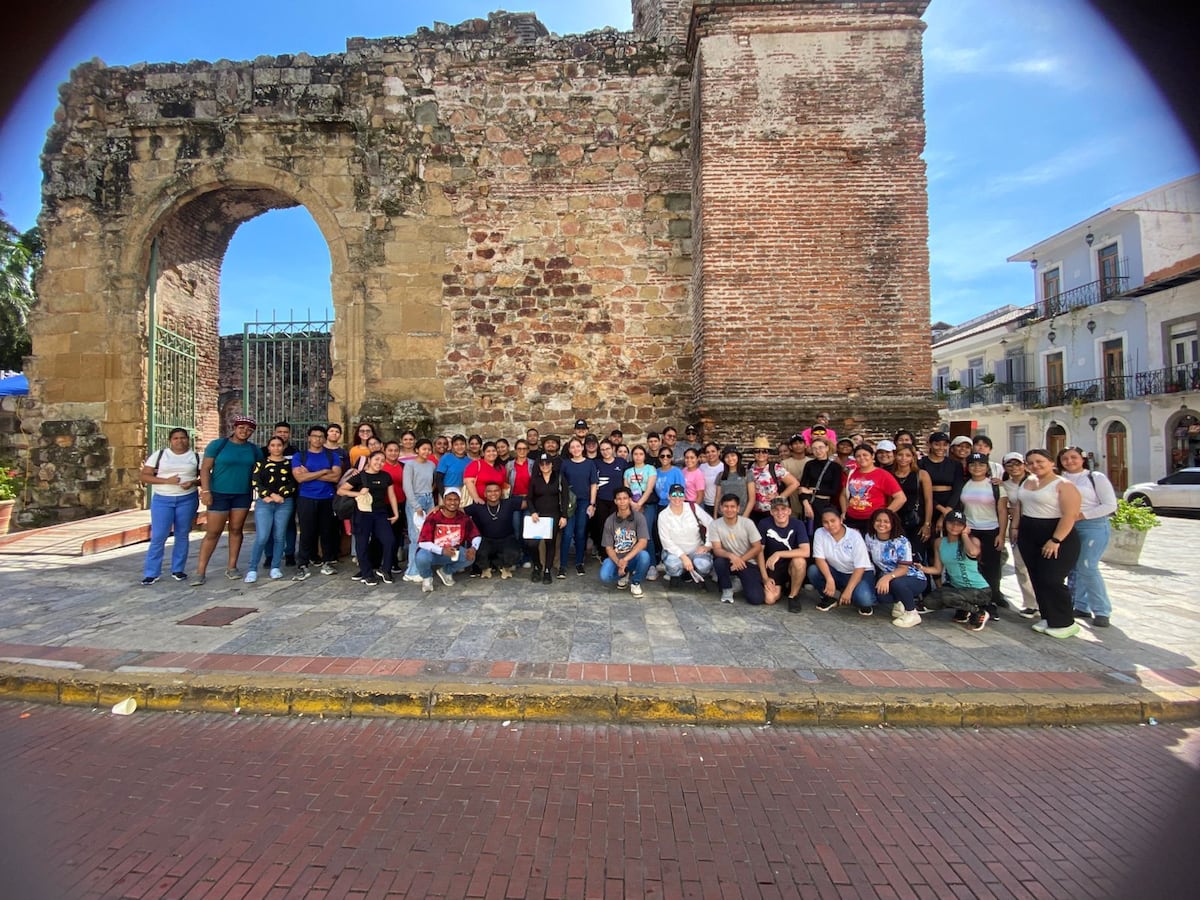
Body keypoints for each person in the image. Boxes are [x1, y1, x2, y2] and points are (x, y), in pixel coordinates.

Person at [1016, 448, 1083, 639]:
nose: (1035, 466)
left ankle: (1065, 621)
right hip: (1029, 532)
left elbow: (1070, 515)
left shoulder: (1064, 485)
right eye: (1030, 463)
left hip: (1055, 534)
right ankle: (1049, 616)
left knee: (1051, 578)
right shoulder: (1028, 481)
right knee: (1036, 577)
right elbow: (1020, 506)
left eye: (1040, 461)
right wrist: (1015, 529)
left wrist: (1055, 540)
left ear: (1052, 462)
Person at [191, 415, 263, 586]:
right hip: (219, 493)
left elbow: (260, 471)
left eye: (249, 430)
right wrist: (206, 490)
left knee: (236, 530)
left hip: (242, 494)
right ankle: (200, 570)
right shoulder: (219, 445)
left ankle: (232, 566)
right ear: (235, 427)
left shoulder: (253, 450)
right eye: (242, 428)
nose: (244, 431)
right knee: (213, 532)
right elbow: (205, 468)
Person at [1058, 446, 1118, 627]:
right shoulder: (1060, 479)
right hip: (1068, 526)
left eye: (1073, 457)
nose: (1069, 461)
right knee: (1076, 566)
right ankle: (1081, 606)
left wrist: (1083, 515)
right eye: (1065, 458)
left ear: (1082, 458)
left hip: (1093, 526)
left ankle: (1101, 610)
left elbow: (1110, 505)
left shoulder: (1095, 478)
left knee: (1087, 566)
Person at [139, 427, 201, 584]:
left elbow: (205, 477)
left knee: (182, 534)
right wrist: (166, 481)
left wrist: (193, 482)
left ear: (188, 439)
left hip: (187, 498)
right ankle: (152, 572)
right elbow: (144, 476)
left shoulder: (196, 457)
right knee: (159, 536)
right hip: (163, 499)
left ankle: (178, 569)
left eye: (183, 438)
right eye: (176, 438)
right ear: (170, 441)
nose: (180, 441)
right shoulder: (160, 455)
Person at [918, 511, 995, 631]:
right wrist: (922, 568)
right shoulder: (939, 542)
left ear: (965, 526)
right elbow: (938, 569)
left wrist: (964, 535)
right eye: (951, 523)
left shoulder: (972, 541)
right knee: (929, 601)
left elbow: (973, 552)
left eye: (959, 524)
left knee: (947, 597)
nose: (954, 527)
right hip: (958, 588)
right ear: (945, 523)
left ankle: (978, 612)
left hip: (980, 590)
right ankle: (964, 610)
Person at [338, 449, 400, 586]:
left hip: (380, 513)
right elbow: (341, 490)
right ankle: (366, 573)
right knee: (362, 543)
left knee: (389, 540)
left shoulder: (386, 476)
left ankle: (386, 570)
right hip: (362, 513)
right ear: (370, 460)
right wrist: (358, 493)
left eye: (382, 461)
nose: (379, 463)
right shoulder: (360, 476)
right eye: (376, 459)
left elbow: (391, 495)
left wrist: (395, 513)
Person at [290, 425, 343, 582]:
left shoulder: (331, 456)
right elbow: (299, 478)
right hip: (306, 497)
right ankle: (303, 564)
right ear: (309, 438)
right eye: (315, 436)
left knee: (327, 532)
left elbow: (335, 477)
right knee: (306, 532)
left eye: (321, 436)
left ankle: (327, 561)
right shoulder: (300, 456)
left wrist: (310, 474)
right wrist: (323, 471)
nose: (318, 439)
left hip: (327, 497)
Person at [244, 435, 296, 583]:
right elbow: (256, 481)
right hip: (265, 502)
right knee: (262, 536)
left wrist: (282, 495)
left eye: (279, 445)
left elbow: (293, 483)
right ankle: (252, 569)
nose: (276, 448)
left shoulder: (289, 464)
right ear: (268, 447)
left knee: (279, 536)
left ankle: (275, 566)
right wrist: (269, 495)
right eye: (273, 445)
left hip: (284, 503)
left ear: (283, 447)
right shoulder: (261, 464)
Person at [959, 451, 1005, 615]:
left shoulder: (995, 485)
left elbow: (1002, 511)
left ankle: (990, 601)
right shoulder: (964, 484)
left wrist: (1001, 534)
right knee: (970, 567)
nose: (976, 467)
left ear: (987, 467)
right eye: (972, 464)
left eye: (981, 464)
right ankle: (971, 601)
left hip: (991, 529)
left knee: (991, 569)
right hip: (970, 530)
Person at [865, 508, 927, 628]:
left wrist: (887, 578)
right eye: (878, 520)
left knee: (896, 583)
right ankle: (900, 602)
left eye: (886, 521)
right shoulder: (869, 537)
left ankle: (912, 613)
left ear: (893, 524)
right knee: (880, 595)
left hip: (912, 577)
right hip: (889, 577)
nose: (882, 524)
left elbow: (904, 568)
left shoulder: (901, 542)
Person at [807, 508, 876, 615]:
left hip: (859, 573)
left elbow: (860, 567)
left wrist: (849, 590)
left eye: (833, 521)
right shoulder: (820, 533)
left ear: (840, 520)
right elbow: (819, 559)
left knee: (864, 600)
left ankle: (850, 592)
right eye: (826, 522)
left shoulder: (854, 536)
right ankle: (829, 598)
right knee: (813, 570)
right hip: (837, 571)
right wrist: (829, 579)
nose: (830, 525)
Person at [997, 452, 1038, 617]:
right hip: (1017, 527)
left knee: (1041, 567)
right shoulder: (1004, 485)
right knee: (1021, 566)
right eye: (1010, 465)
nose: (1014, 468)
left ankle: (1045, 601)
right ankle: (1030, 603)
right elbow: (1004, 505)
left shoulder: (1035, 481)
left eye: (1017, 464)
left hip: (1038, 523)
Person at [414, 488, 479, 592]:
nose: (452, 502)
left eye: (455, 499)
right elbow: (423, 542)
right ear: (444, 501)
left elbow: (475, 535)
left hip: (453, 552)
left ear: (459, 501)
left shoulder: (463, 518)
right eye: (449, 499)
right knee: (421, 557)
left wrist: (473, 548)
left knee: (469, 557)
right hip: (432, 552)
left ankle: (446, 571)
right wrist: (442, 550)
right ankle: (427, 578)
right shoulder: (434, 517)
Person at [709, 494, 766, 605]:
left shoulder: (747, 523)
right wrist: (731, 556)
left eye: (732, 506)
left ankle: (741, 582)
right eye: (726, 506)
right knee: (719, 562)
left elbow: (758, 547)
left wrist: (741, 559)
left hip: (748, 562)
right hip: (729, 561)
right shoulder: (715, 525)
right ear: (721, 508)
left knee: (756, 599)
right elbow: (717, 549)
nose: (729, 509)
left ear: (738, 508)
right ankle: (727, 589)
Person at [757, 496, 810, 611]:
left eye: (783, 509)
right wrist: (765, 578)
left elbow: (806, 551)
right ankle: (782, 588)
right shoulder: (764, 524)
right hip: (773, 567)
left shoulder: (798, 524)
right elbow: (759, 551)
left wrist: (778, 554)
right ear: (771, 512)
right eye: (776, 509)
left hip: (791, 564)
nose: (780, 512)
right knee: (769, 599)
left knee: (799, 561)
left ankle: (793, 596)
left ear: (789, 511)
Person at [599, 487, 653, 597]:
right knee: (604, 576)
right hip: (616, 557)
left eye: (625, 498)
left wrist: (625, 560)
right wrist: (619, 562)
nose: (622, 501)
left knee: (645, 556)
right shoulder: (610, 520)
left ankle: (635, 582)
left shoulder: (639, 517)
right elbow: (608, 547)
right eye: (619, 499)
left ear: (629, 500)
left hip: (633, 556)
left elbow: (643, 542)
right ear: (615, 501)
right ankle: (624, 574)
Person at [658, 483, 714, 587]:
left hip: (696, 549)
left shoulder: (693, 508)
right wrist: (683, 557)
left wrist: (708, 544)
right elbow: (666, 541)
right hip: (674, 552)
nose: (677, 498)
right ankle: (676, 575)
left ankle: (699, 577)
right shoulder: (663, 515)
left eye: (680, 495)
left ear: (684, 496)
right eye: (674, 495)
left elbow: (711, 524)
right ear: (669, 497)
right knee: (673, 564)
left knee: (703, 565)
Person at [842, 444, 905, 534]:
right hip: (851, 519)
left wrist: (884, 515)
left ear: (872, 456)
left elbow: (901, 498)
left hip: (872, 520)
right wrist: (844, 511)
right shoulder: (852, 473)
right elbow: (843, 494)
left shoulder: (883, 474)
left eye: (865, 455)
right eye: (858, 456)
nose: (862, 458)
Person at [526, 451, 569, 585]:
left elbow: (565, 497)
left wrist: (564, 516)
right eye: (542, 464)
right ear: (539, 465)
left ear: (551, 464)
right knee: (532, 544)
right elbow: (529, 498)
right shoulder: (535, 479)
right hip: (538, 516)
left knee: (550, 543)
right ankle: (537, 565)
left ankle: (547, 570)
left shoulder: (559, 477)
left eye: (547, 463)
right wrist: (532, 512)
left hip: (554, 515)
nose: (545, 466)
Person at [558, 437, 599, 577]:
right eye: (572, 447)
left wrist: (592, 504)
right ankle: (562, 565)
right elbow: (561, 485)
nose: (575, 449)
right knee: (568, 533)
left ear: (582, 448)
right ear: (569, 450)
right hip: (569, 503)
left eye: (578, 446)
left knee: (581, 532)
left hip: (584, 501)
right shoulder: (565, 464)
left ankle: (579, 563)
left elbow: (594, 484)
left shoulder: (589, 464)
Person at [467, 481, 522, 578]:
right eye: (489, 491)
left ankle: (505, 567)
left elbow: (527, 503)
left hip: (506, 539)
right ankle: (486, 567)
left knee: (515, 552)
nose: (493, 493)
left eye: (496, 491)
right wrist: (439, 507)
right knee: (478, 551)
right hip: (487, 540)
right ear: (485, 494)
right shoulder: (478, 506)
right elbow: (459, 510)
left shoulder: (509, 503)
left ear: (501, 492)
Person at [401, 438, 437, 583]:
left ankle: (422, 567)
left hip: (429, 499)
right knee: (415, 537)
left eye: (429, 449)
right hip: (415, 500)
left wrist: (431, 502)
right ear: (417, 450)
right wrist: (416, 506)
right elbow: (407, 487)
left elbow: (432, 483)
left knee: (428, 535)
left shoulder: (431, 465)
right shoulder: (410, 465)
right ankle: (411, 571)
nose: (426, 452)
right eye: (424, 449)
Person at [891, 444, 933, 559]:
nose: (903, 458)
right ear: (895, 456)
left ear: (913, 457)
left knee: (917, 555)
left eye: (908, 455)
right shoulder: (890, 475)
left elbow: (929, 500)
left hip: (917, 519)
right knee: (899, 555)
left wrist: (927, 524)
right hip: (896, 520)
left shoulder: (921, 475)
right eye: (900, 455)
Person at [623, 445, 659, 579]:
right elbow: (626, 489)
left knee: (646, 534)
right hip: (632, 504)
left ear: (645, 456)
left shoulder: (650, 469)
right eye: (635, 454)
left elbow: (649, 488)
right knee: (633, 535)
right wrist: (632, 504)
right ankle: (636, 563)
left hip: (647, 504)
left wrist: (640, 503)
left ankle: (652, 565)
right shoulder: (628, 471)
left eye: (640, 454)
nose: (638, 457)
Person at [919, 431, 963, 535]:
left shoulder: (955, 465)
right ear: (930, 444)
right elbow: (920, 489)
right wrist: (940, 509)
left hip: (951, 503)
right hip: (928, 504)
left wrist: (946, 512)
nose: (941, 448)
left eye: (944, 445)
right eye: (937, 444)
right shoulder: (921, 463)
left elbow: (957, 489)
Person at [747, 436, 800, 523]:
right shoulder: (749, 468)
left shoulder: (775, 468)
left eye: (764, 451)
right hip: (754, 510)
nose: (761, 454)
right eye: (757, 451)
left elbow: (794, 483)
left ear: (768, 454)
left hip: (772, 510)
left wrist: (780, 497)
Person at [590, 439, 627, 560]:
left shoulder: (621, 462)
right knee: (603, 526)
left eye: (608, 449)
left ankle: (618, 552)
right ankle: (604, 554)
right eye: (603, 449)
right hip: (601, 500)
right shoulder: (596, 463)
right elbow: (593, 483)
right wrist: (593, 502)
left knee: (617, 528)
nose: (605, 452)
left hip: (617, 501)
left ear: (613, 450)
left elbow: (626, 480)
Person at [799, 437, 841, 532]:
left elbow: (834, 491)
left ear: (827, 448)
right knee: (810, 532)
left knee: (825, 531)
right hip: (809, 503)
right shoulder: (809, 465)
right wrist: (806, 504)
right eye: (814, 448)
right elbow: (802, 487)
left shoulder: (835, 467)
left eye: (821, 447)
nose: (818, 451)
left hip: (825, 504)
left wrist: (812, 490)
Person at [714, 445, 755, 519]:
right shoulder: (721, 475)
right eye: (727, 457)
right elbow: (717, 498)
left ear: (738, 457)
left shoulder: (747, 474)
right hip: (723, 515)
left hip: (741, 514)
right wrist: (715, 516)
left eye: (733, 455)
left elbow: (752, 499)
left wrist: (745, 517)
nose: (730, 459)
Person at [462, 440, 506, 506]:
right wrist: (476, 498)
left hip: (495, 503)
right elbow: (468, 482)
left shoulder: (501, 468)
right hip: (478, 503)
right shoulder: (476, 464)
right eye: (488, 451)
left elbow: (502, 485)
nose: (491, 453)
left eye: (494, 451)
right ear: (483, 453)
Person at [434, 434, 471, 501]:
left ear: (466, 445)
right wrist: (444, 495)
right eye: (456, 444)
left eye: (462, 444)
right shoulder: (446, 458)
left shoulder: (469, 461)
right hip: (447, 490)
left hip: (463, 492)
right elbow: (438, 478)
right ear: (452, 447)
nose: (459, 446)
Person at [698, 442, 724, 516]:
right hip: (705, 504)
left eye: (713, 451)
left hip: (720, 505)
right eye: (707, 452)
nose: (710, 454)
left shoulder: (724, 467)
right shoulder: (702, 467)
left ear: (718, 452)